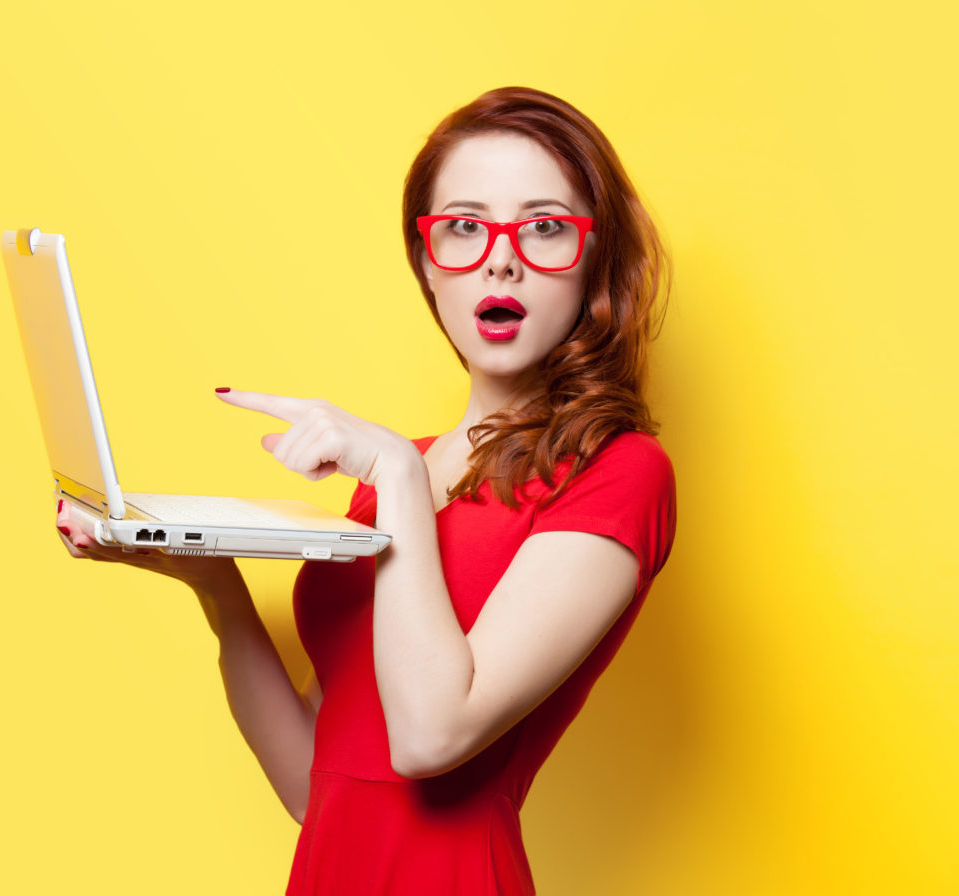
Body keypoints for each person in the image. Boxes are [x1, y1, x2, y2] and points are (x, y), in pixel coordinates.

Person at [56, 86, 676, 895]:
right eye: (463, 225)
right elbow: (315, 783)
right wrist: (215, 584)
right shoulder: (401, 473)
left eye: (545, 227)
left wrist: (395, 475)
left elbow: (430, 737)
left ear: (595, 260)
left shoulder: (620, 472)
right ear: (426, 261)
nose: (500, 257)